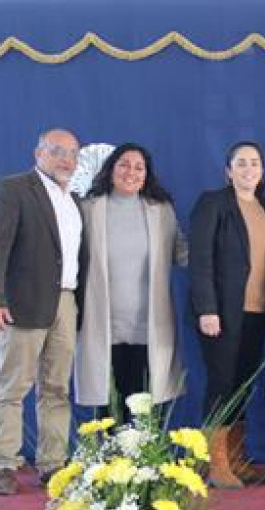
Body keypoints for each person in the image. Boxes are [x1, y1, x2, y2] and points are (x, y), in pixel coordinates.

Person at [0, 128, 86, 495]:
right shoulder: (13, 188)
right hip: (22, 302)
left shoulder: (73, 198)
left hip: (65, 302)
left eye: (72, 153)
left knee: (56, 388)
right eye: (57, 151)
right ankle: (6, 465)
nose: (65, 159)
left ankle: (52, 464)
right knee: (13, 387)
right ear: (38, 151)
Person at [75, 143, 186, 424]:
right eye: (124, 164)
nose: (131, 172)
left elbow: (181, 253)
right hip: (102, 323)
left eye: (139, 167)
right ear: (110, 170)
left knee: (144, 404)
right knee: (107, 404)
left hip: (148, 325)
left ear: (147, 175)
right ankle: (109, 466)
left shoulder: (161, 211)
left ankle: (143, 467)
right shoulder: (88, 209)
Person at [190, 141, 265, 488]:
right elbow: (200, 260)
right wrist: (206, 308)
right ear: (228, 171)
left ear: (262, 170)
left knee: (243, 387)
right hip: (222, 314)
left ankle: (237, 459)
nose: (248, 169)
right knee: (221, 384)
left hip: (258, 312)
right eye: (241, 163)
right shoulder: (213, 203)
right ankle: (214, 464)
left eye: (254, 163)